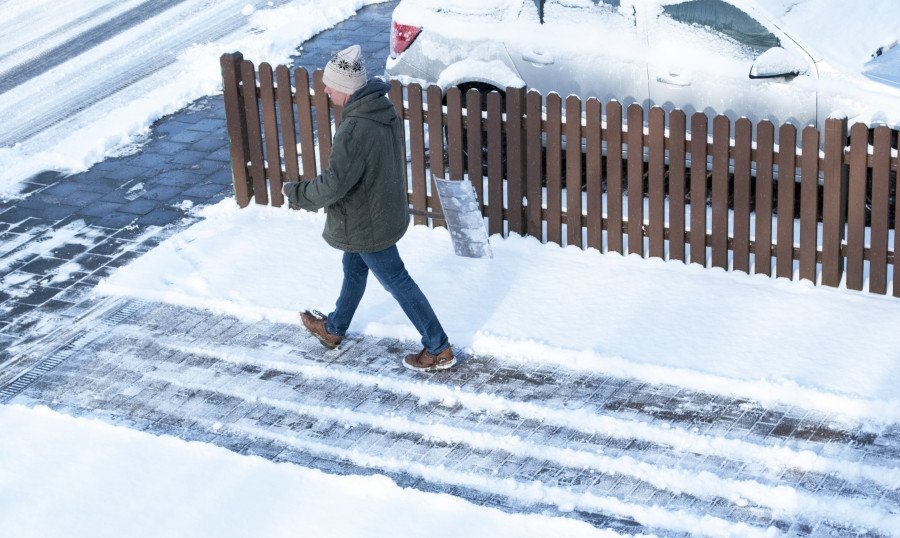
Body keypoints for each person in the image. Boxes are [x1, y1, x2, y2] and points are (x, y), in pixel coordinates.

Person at [282, 44, 454, 372]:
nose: (325, 88)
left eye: (330, 84)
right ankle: (333, 330)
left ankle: (438, 347)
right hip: (379, 209)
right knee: (354, 267)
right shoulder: (379, 108)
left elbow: (334, 184)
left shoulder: (354, 129)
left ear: (346, 88)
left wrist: (297, 193)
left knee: (397, 280)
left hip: (367, 221)